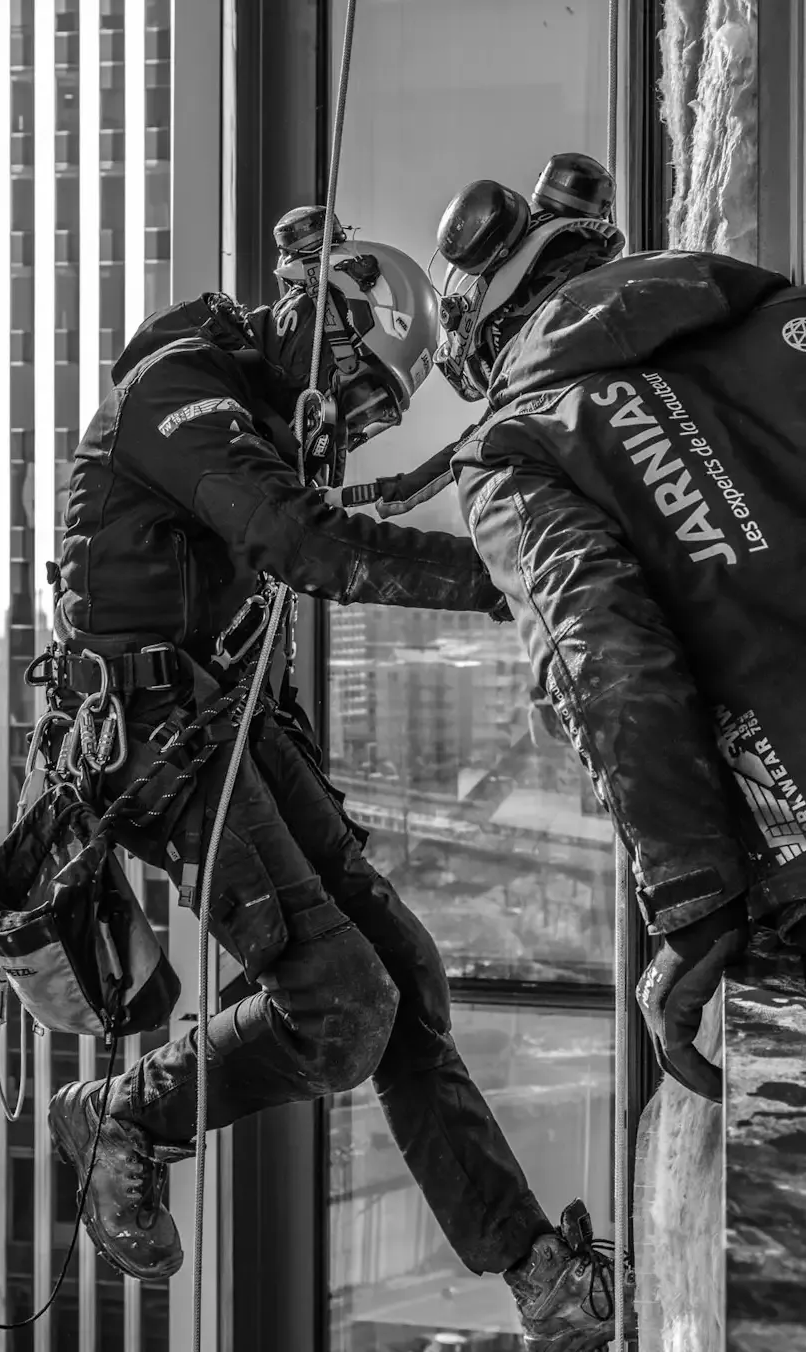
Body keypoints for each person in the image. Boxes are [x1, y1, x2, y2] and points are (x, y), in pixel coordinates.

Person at [44, 213, 630, 1351]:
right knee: (342, 1005)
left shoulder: (250, 408)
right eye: (354, 391)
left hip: (223, 722)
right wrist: (506, 577)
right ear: (323, 321)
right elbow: (304, 543)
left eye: (368, 416)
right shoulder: (177, 393)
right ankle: (124, 1112)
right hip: (152, 740)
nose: (346, 424)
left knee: (402, 974)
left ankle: (539, 1277)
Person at [376, 151, 806, 1105]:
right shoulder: (765, 310)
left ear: (484, 328)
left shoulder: (513, 449)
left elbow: (602, 663)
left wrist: (694, 902)